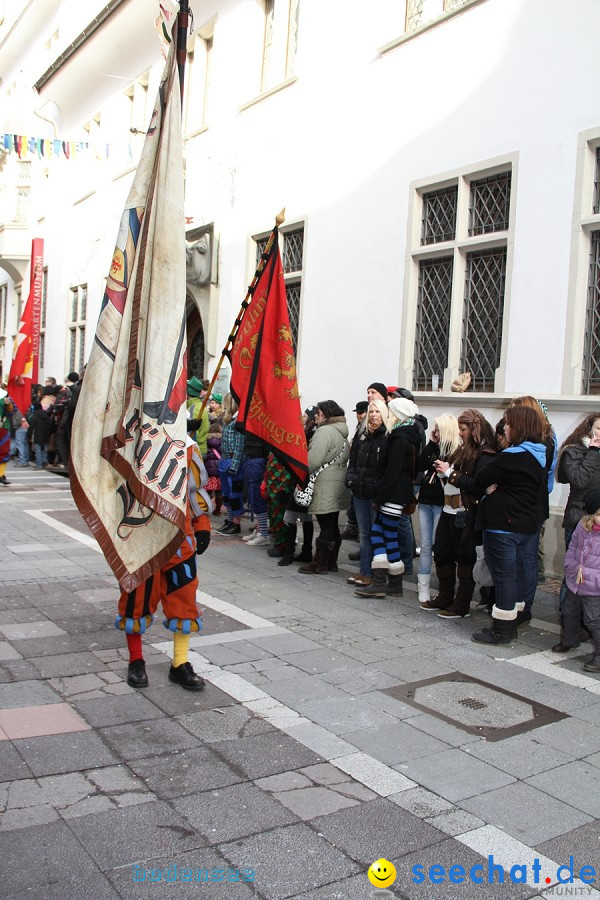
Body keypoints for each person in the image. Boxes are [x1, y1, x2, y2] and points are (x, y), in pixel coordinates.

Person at [118, 438, 211, 690]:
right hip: (140, 535)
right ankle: (136, 660)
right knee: (136, 599)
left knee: (184, 599)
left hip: (180, 538)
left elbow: (198, 488)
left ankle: (180, 663)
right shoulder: (131, 436)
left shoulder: (188, 445)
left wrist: (202, 525)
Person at [468, 406, 546, 644]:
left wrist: (493, 487)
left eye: (509, 424)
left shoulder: (513, 456)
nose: (505, 428)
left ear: (520, 427)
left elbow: (481, 478)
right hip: (524, 523)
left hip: (503, 525)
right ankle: (510, 624)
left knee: (504, 577)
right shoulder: (539, 453)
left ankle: (501, 630)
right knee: (515, 576)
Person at [426, 409, 496, 618]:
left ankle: (461, 604)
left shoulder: (485, 454)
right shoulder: (463, 450)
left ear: (474, 429)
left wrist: (450, 473)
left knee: (465, 558)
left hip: (465, 513)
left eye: (463, 429)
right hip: (448, 510)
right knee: (442, 552)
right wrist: (445, 472)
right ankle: (445, 596)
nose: (460, 433)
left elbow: (476, 484)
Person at [355, 396, 421, 598]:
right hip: (397, 493)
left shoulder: (400, 439)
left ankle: (383, 581)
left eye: (390, 412)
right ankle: (392, 582)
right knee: (382, 534)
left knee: (382, 534)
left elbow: (392, 473)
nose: (387, 416)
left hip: (393, 495)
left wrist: (379, 498)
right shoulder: (405, 436)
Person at [509, 395, 557, 621]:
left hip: (532, 505)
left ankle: (524, 606)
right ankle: (517, 602)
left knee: (527, 559)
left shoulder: (544, 440)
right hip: (526, 504)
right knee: (520, 558)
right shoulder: (535, 437)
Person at [298, 400, 350, 575]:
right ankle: (331, 562)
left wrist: (302, 474)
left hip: (324, 482)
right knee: (333, 523)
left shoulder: (324, 432)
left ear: (327, 415)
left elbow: (313, 460)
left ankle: (320, 563)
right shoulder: (341, 431)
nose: (316, 417)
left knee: (325, 524)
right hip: (336, 481)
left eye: (319, 413)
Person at [416, 414, 461, 607]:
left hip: (443, 504)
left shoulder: (457, 452)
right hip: (426, 501)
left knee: (439, 546)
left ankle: (444, 590)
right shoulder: (433, 447)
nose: (435, 432)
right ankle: (423, 587)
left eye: (438, 429)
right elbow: (420, 466)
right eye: (434, 429)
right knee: (425, 545)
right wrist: (431, 444)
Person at [345, 399, 389, 587]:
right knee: (363, 534)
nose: (373, 415)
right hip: (359, 491)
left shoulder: (387, 437)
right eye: (371, 411)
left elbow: (387, 468)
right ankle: (364, 571)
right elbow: (353, 461)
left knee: (376, 534)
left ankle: (375, 574)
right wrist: (351, 479)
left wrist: (379, 487)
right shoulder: (361, 435)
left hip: (375, 493)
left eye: (377, 412)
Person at [563, 490, 600, 671]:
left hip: (594, 585)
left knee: (593, 619)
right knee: (569, 609)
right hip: (575, 579)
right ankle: (570, 640)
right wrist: (570, 565)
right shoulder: (582, 526)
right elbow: (572, 547)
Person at [278, 406, 317, 567]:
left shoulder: (312, 434)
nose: (302, 417)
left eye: (305, 415)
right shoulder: (303, 432)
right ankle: (294, 551)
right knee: (292, 516)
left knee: (300, 517)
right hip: (297, 479)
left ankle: (301, 551)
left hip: (305, 480)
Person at [216, 393, 245, 535]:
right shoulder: (228, 420)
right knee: (226, 493)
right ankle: (229, 520)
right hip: (225, 459)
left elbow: (239, 445)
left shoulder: (238, 421)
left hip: (233, 460)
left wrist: (235, 464)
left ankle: (236, 523)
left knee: (235, 494)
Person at [341, 401, 369, 541]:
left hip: (363, 474)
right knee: (353, 502)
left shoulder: (367, 427)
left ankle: (358, 531)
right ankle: (351, 528)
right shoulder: (359, 426)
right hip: (356, 471)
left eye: (361, 413)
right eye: (357, 413)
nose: (358, 416)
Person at [186, 376, 210, 457]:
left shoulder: (193, 408)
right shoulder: (199, 405)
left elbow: (192, 435)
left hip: (195, 451)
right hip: (200, 449)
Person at [204, 422, 223, 515]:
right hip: (219, 470)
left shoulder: (206, 440)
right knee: (219, 491)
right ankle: (218, 509)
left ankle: (207, 508)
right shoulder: (222, 440)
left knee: (207, 491)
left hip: (209, 470)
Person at [0, 388, 13, 485]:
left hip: (3, 426)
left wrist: (8, 404)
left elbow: (12, 410)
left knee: (3, 451)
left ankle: (1, 474)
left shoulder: (4, 394)